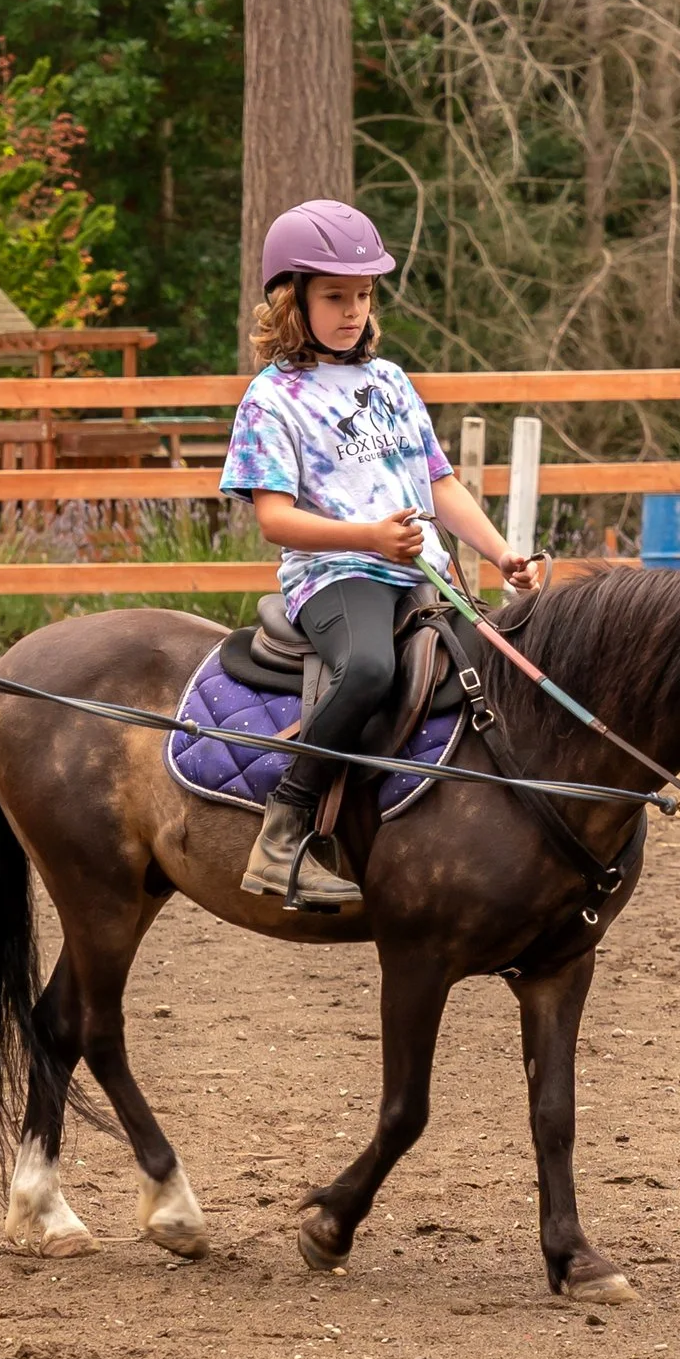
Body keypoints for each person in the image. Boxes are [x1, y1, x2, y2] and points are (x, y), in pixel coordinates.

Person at [222, 201, 536, 913]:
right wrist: (367, 538)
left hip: (423, 573)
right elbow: (274, 518)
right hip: (336, 576)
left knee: (497, 669)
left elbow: (439, 483)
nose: (352, 311)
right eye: (334, 296)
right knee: (368, 668)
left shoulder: (391, 382)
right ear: (292, 299)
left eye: (363, 296)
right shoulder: (271, 399)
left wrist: (501, 551)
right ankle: (286, 826)